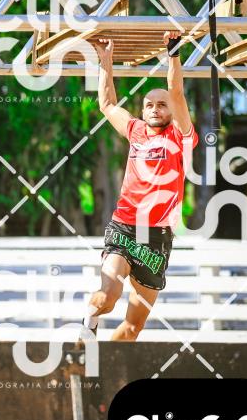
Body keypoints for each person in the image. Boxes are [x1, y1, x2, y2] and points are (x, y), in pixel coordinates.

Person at [84, 32, 198, 341]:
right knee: (108, 297)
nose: (155, 109)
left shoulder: (181, 137)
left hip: (157, 237)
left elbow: (177, 92)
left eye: (162, 105)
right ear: (142, 110)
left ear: (172, 112)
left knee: (133, 328)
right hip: (124, 227)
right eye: (149, 105)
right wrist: (106, 59)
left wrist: (173, 54)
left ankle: (104, 362)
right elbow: (107, 104)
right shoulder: (135, 130)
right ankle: (87, 329)